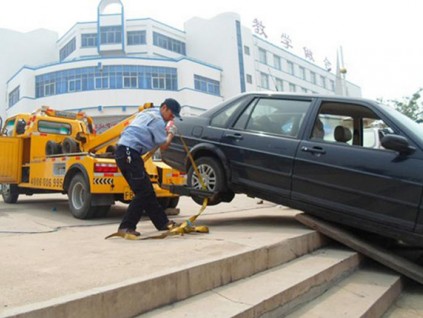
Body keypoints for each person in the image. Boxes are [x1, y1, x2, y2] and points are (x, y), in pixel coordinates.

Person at [114, 98, 181, 236]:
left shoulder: (148, 112)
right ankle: (126, 227)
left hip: (126, 152)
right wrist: (171, 133)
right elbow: (163, 145)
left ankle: (162, 223)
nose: (171, 117)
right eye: (171, 114)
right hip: (129, 152)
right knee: (143, 192)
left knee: (148, 191)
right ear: (164, 108)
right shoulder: (157, 120)